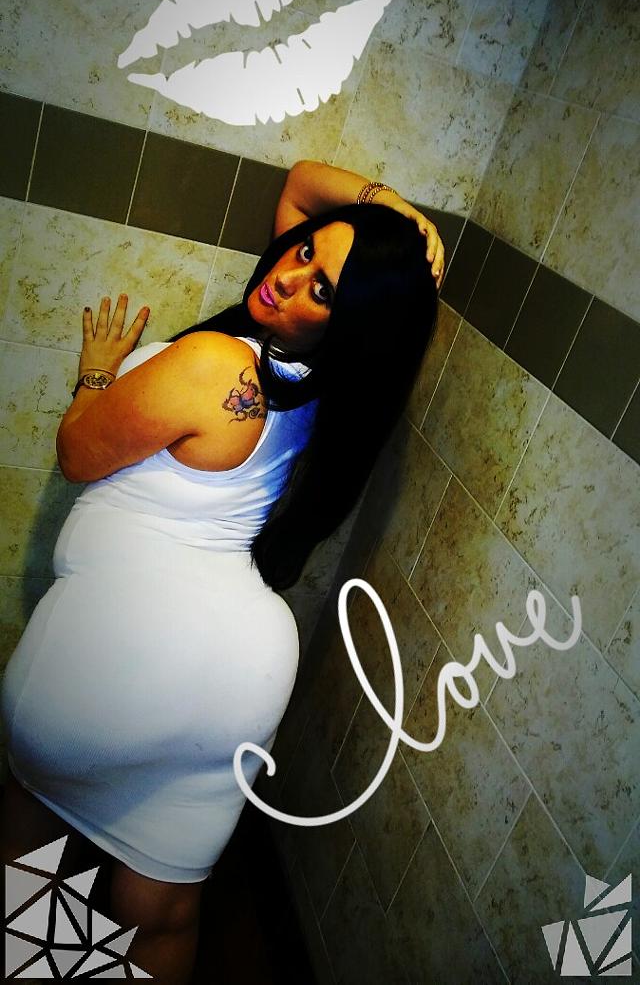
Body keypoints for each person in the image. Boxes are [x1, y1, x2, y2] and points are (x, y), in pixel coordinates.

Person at [0, 159, 444, 985]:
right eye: (304, 252)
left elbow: (77, 452)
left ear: (347, 322)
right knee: (162, 913)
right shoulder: (331, 380)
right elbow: (305, 185)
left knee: (29, 839)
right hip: (244, 673)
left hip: (121, 650)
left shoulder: (217, 366)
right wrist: (393, 221)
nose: (289, 277)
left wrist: (97, 371)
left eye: (323, 288)